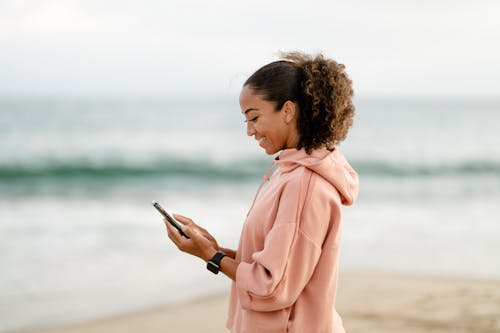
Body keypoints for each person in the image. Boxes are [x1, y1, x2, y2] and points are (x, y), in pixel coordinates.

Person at [165, 51, 359, 333]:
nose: (249, 131)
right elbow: (276, 264)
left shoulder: (304, 185)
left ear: (289, 111)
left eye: (254, 117)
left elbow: (272, 286)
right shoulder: (288, 172)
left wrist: (211, 257)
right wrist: (214, 248)